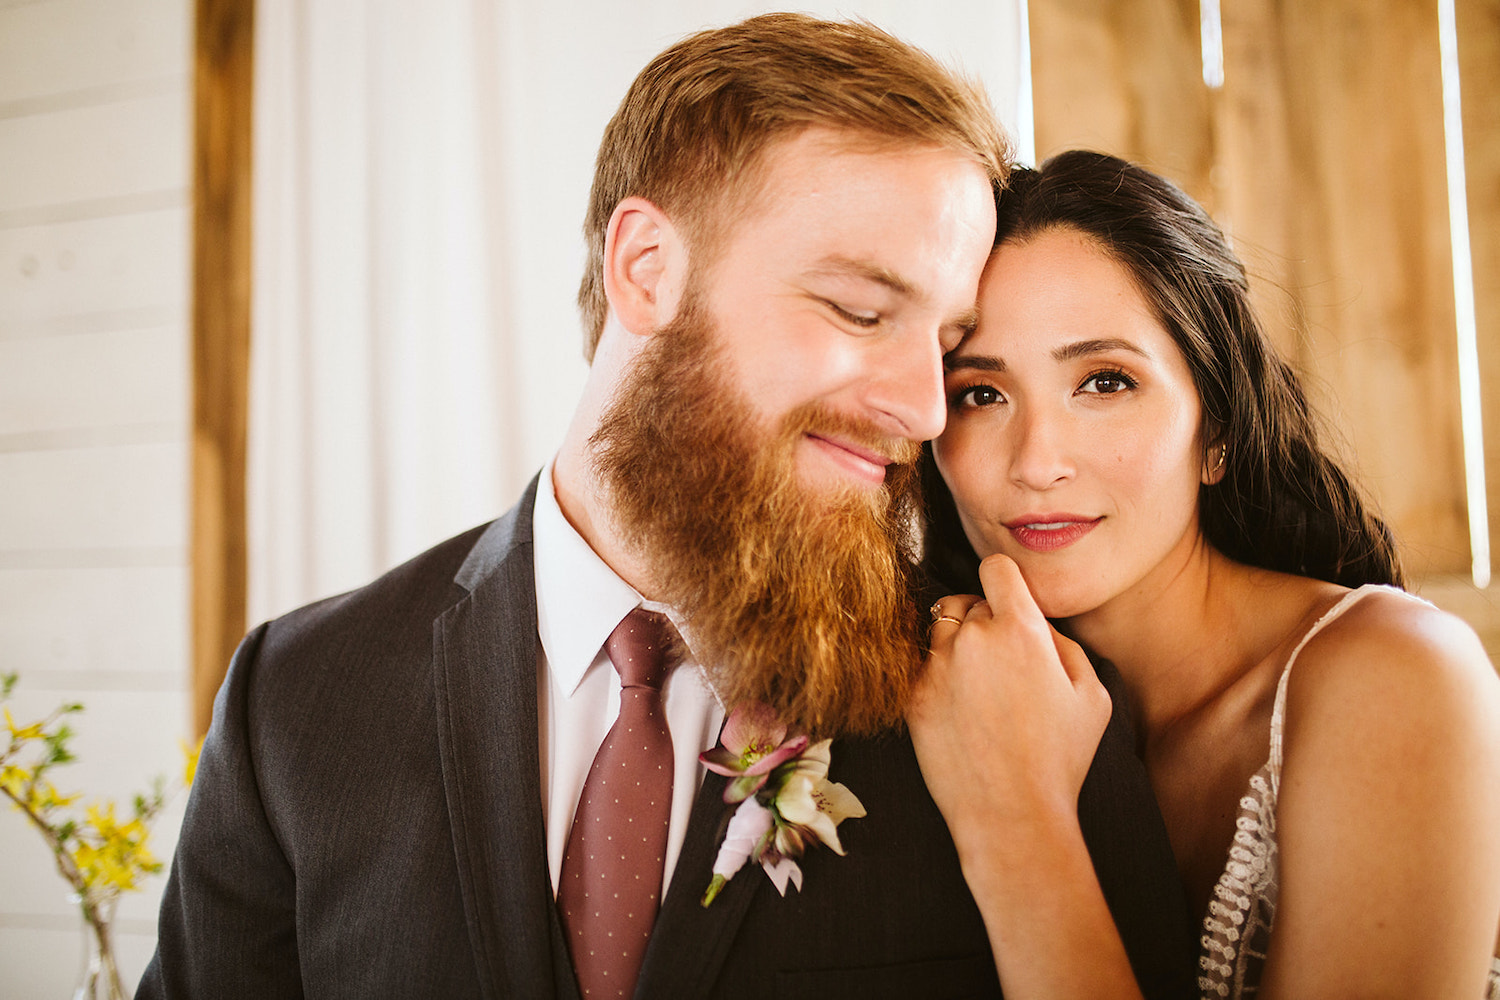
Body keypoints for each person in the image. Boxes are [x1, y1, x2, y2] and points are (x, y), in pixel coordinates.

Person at [139, 22, 1200, 1000]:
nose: (923, 408)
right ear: (646, 270)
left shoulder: (1028, 707)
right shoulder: (296, 702)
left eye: (946, 346)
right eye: (862, 310)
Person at [911, 149, 1500, 999]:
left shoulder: (1397, 675)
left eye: (1104, 382)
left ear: (1217, 428)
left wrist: (1015, 823)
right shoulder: (944, 697)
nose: (1037, 462)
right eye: (980, 394)